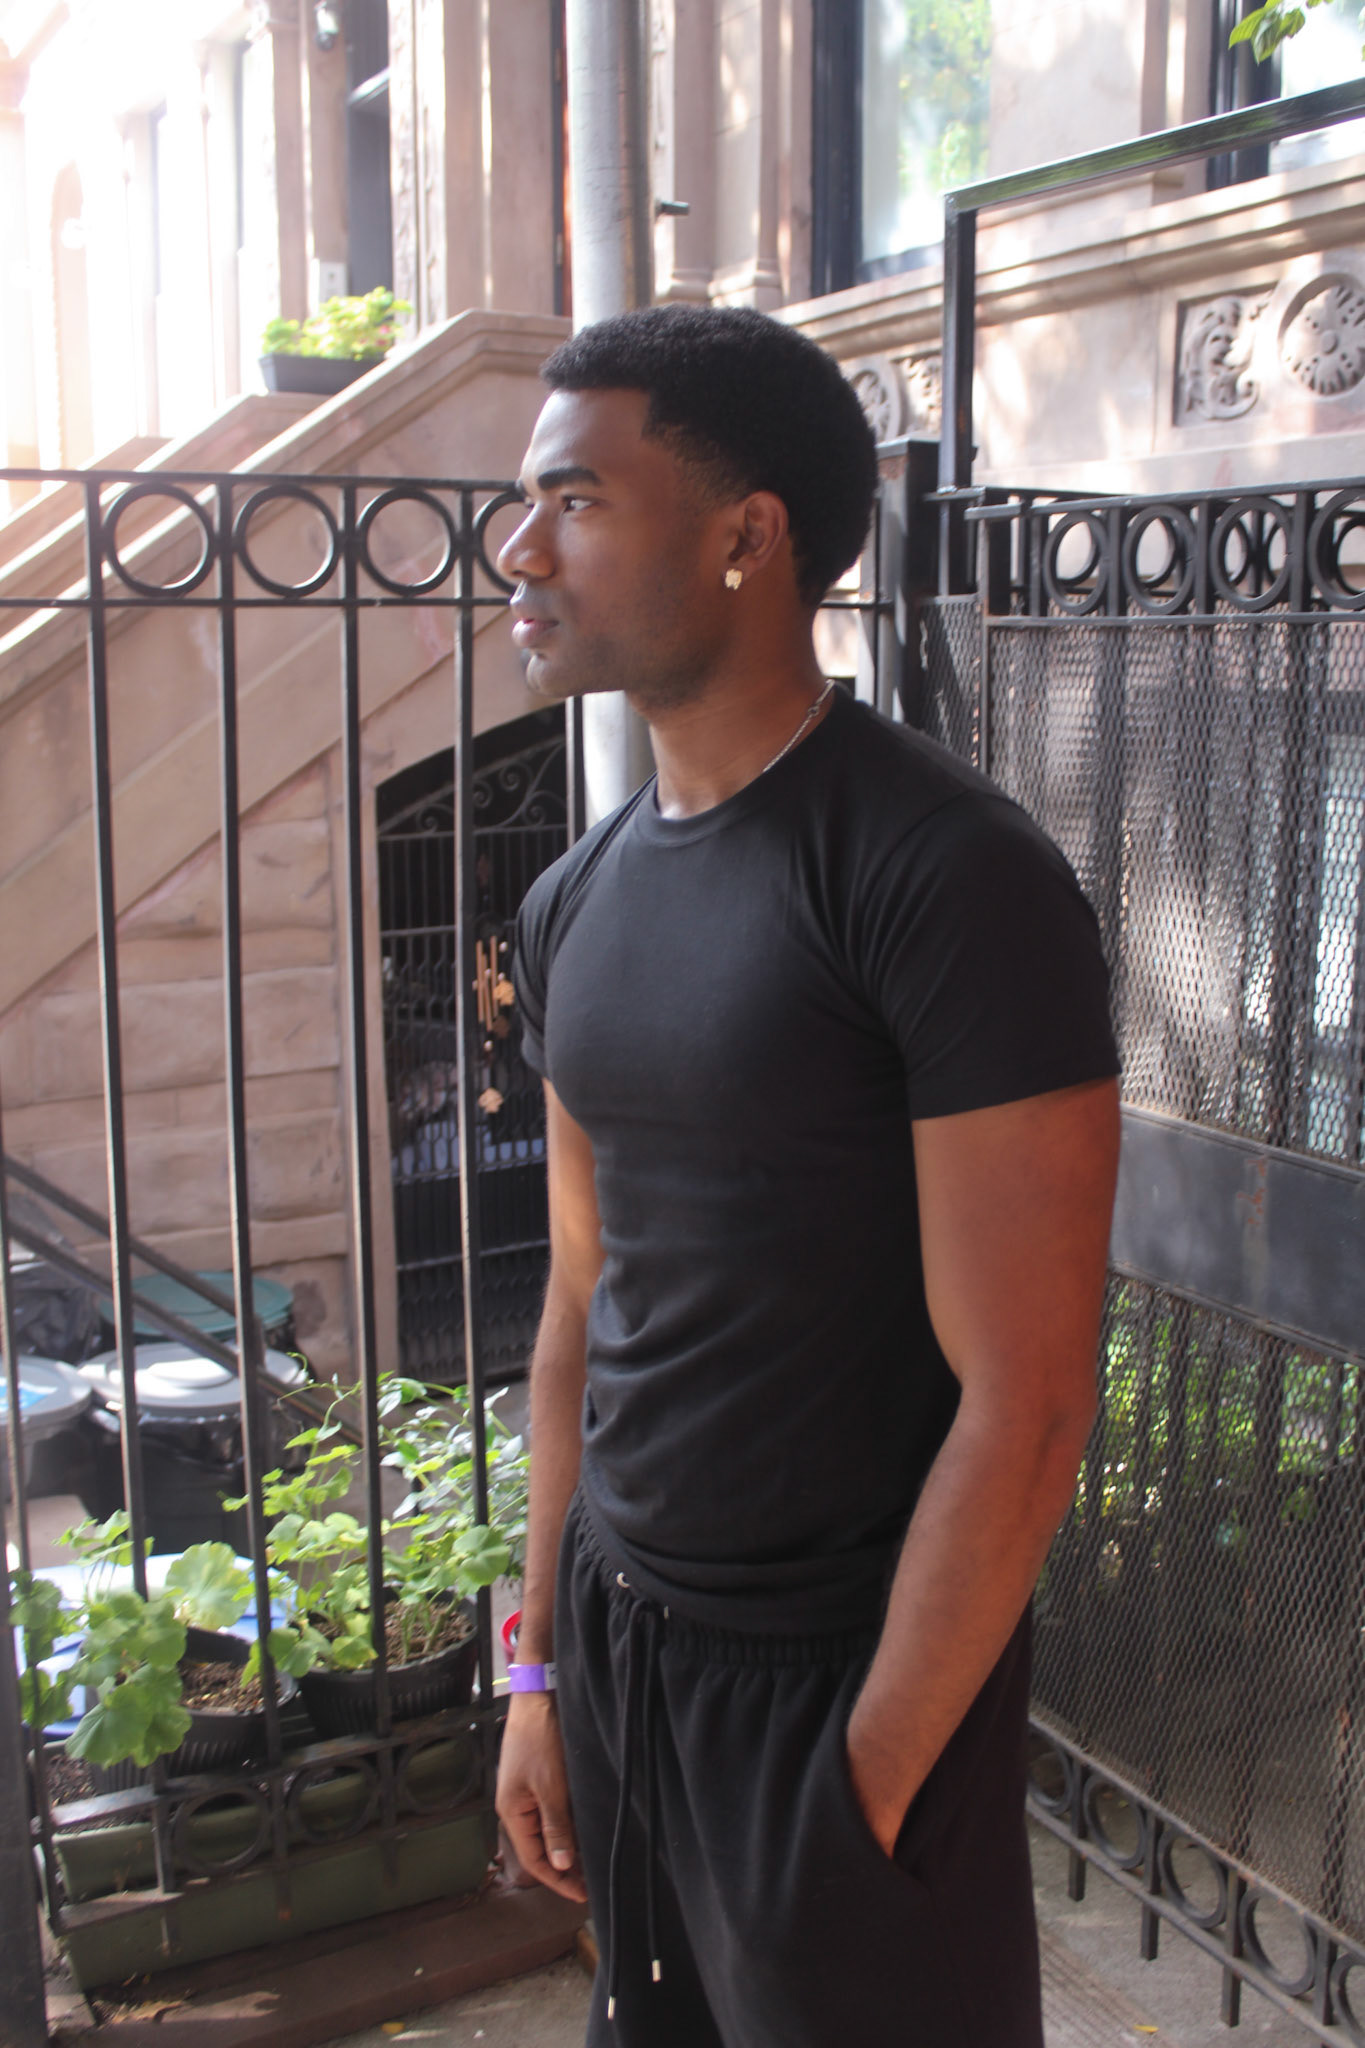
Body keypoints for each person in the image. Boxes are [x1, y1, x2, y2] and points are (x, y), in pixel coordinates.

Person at [493, 303, 1119, 2048]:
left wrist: (867, 1781)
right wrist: (538, 1673)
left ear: (745, 537)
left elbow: (1028, 1400)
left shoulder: (945, 877)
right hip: (621, 1650)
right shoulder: (571, 903)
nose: (519, 549)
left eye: (574, 500)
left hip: (840, 1690)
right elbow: (579, 1307)